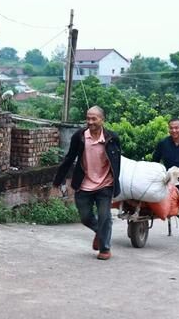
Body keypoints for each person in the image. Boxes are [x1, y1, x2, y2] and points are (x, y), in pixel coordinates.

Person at [53, 106, 121, 260]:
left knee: (105, 216)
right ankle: (100, 232)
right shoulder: (80, 136)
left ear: (102, 120)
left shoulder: (112, 138)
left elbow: (117, 162)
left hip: (105, 184)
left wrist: (116, 183)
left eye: (94, 118)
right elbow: (69, 158)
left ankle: (105, 249)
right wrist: (58, 180)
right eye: (88, 118)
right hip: (84, 183)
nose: (90, 122)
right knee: (85, 217)